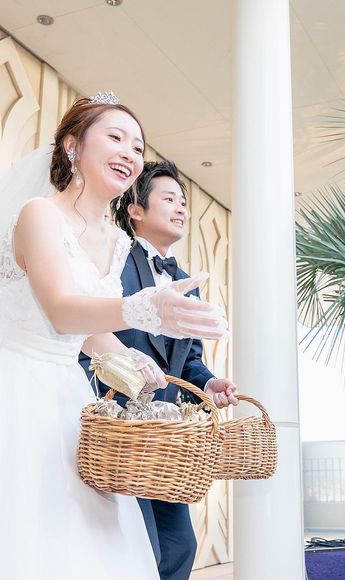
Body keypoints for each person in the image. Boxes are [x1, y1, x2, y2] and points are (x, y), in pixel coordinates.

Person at [0, 93, 228, 579]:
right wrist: (144, 309)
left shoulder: (117, 240)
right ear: (72, 146)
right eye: (116, 137)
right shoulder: (39, 214)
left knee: (89, 542)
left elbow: (89, 335)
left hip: (69, 401)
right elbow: (60, 310)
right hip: (17, 387)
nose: (130, 152)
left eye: (138, 146)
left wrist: (132, 359)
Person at [81, 159, 239, 580]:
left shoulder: (186, 280)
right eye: (169, 199)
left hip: (165, 438)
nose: (181, 207)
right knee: (139, 546)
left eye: (183, 201)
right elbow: (85, 332)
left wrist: (210, 383)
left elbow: (187, 359)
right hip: (115, 430)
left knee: (180, 545)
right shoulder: (113, 257)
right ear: (135, 209)